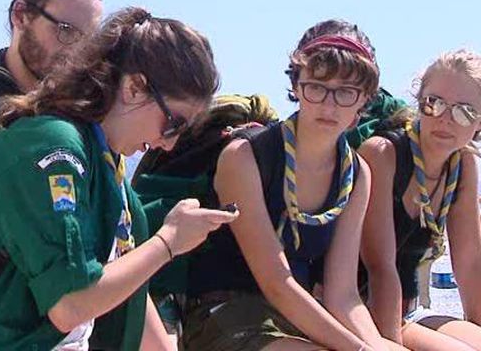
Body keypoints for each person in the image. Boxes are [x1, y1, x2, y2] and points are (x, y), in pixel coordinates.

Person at [0, 7, 238, 351]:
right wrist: (169, 242)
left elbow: (126, 286)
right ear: (133, 87)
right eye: (174, 123)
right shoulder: (50, 147)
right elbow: (69, 304)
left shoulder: (104, 164)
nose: (171, 142)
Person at [176, 19, 409, 351]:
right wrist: (359, 350)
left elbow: (343, 294)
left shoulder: (356, 174)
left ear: (364, 100)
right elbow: (276, 283)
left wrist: (376, 346)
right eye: (316, 86)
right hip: (228, 313)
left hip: (299, 319)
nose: (329, 105)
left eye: (346, 92)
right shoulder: (246, 157)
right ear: (297, 85)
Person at [359, 49, 481, 350]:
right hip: (355, 309)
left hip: (403, 314)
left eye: (464, 111)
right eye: (434, 103)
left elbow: (470, 266)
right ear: (419, 102)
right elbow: (379, 266)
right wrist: (390, 346)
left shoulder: (461, 166)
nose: (445, 119)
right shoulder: (383, 154)